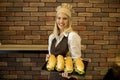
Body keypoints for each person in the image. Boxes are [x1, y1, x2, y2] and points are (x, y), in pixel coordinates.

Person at [46, 3, 82, 80]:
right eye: (59, 18)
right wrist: (48, 58)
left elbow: (77, 59)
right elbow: (51, 57)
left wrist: (71, 74)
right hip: (53, 76)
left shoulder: (72, 36)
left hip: (66, 77)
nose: (61, 21)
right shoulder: (52, 37)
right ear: (56, 20)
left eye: (64, 18)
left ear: (69, 20)